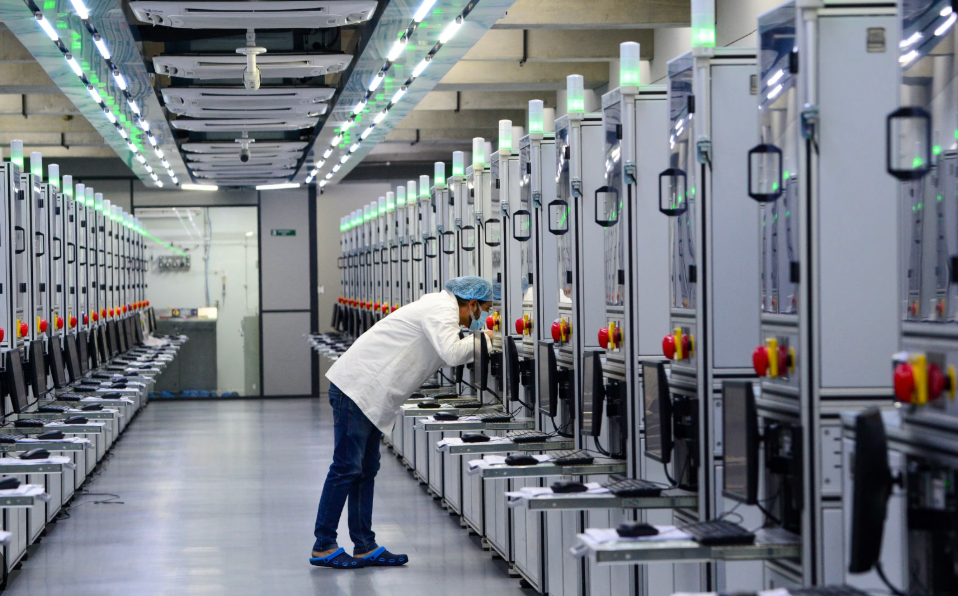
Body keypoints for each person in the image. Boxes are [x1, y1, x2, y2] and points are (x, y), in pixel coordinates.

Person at [310, 276, 494, 569]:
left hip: (370, 394)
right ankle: (323, 545)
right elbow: (451, 352)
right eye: (484, 310)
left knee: (365, 469)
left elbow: (442, 353)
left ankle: (364, 546)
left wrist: (476, 339)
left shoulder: (440, 310)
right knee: (346, 467)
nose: (482, 318)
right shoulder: (441, 309)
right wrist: (485, 339)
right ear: (471, 303)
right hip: (356, 388)